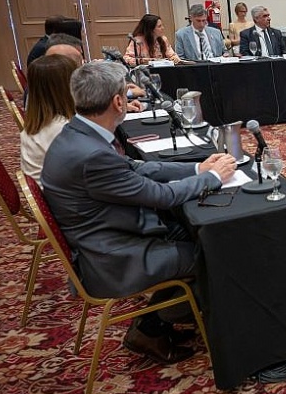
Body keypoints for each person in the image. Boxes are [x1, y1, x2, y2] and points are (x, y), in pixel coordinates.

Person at [41, 60, 237, 364]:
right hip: (112, 256)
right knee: (217, 253)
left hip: (109, 232)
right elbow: (161, 196)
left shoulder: (79, 133)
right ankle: (150, 327)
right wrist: (212, 178)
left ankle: (166, 318)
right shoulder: (92, 155)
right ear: (118, 102)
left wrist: (197, 168)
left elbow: (135, 168)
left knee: (198, 232)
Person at [20, 55, 78, 185]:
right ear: (67, 87)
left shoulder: (39, 122)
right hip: (60, 194)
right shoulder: (62, 129)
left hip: (52, 189)